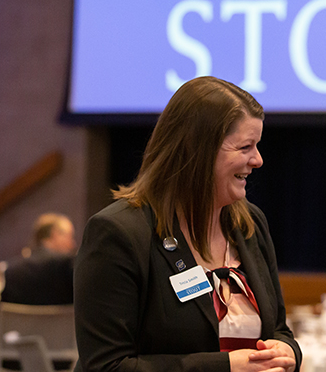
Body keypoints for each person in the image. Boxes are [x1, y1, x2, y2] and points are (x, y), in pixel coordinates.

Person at [74, 77, 300, 372]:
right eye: (245, 147)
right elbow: (106, 367)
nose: (257, 160)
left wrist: (287, 351)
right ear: (197, 150)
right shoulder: (119, 233)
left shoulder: (249, 224)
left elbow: (279, 328)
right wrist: (225, 367)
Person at [0, 212, 76, 306]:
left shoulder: (12, 271)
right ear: (55, 235)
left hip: (23, 321)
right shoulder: (69, 267)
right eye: (70, 237)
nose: (73, 244)